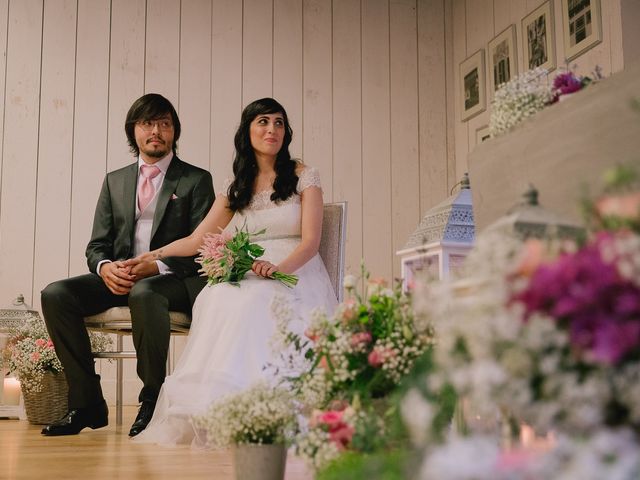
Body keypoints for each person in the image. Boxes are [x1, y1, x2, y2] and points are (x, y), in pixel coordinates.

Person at [129, 97, 337, 446]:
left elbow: (311, 241)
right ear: (248, 131)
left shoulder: (303, 175)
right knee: (220, 294)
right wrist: (155, 253)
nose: (272, 130)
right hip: (252, 268)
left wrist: (277, 269)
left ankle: (275, 406)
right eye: (263, 122)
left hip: (295, 269)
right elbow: (199, 238)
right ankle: (226, 406)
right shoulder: (237, 184)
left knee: (254, 300)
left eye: (279, 123)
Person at [40, 93, 215, 437]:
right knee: (56, 294)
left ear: (174, 132)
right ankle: (87, 402)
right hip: (120, 278)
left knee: (146, 293)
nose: (156, 131)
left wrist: (157, 266)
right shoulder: (115, 180)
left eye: (165, 123)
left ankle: (151, 399)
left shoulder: (196, 180)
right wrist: (105, 267)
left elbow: (203, 251)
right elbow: (96, 245)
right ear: (133, 130)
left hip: (173, 281)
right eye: (148, 123)